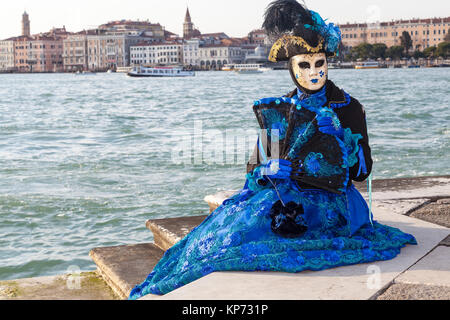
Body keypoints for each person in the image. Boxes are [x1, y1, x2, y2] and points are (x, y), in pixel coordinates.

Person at [129, 0, 416, 300]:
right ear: (291, 68)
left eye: (320, 64)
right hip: (283, 193)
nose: (315, 72)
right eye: (305, 65)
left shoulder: (348, 108)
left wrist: (343, 140)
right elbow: (253, 171)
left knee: (266, 233)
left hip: (335, 202)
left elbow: (363, 171)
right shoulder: (280, 110)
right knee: (230, 227)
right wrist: (267, 170)